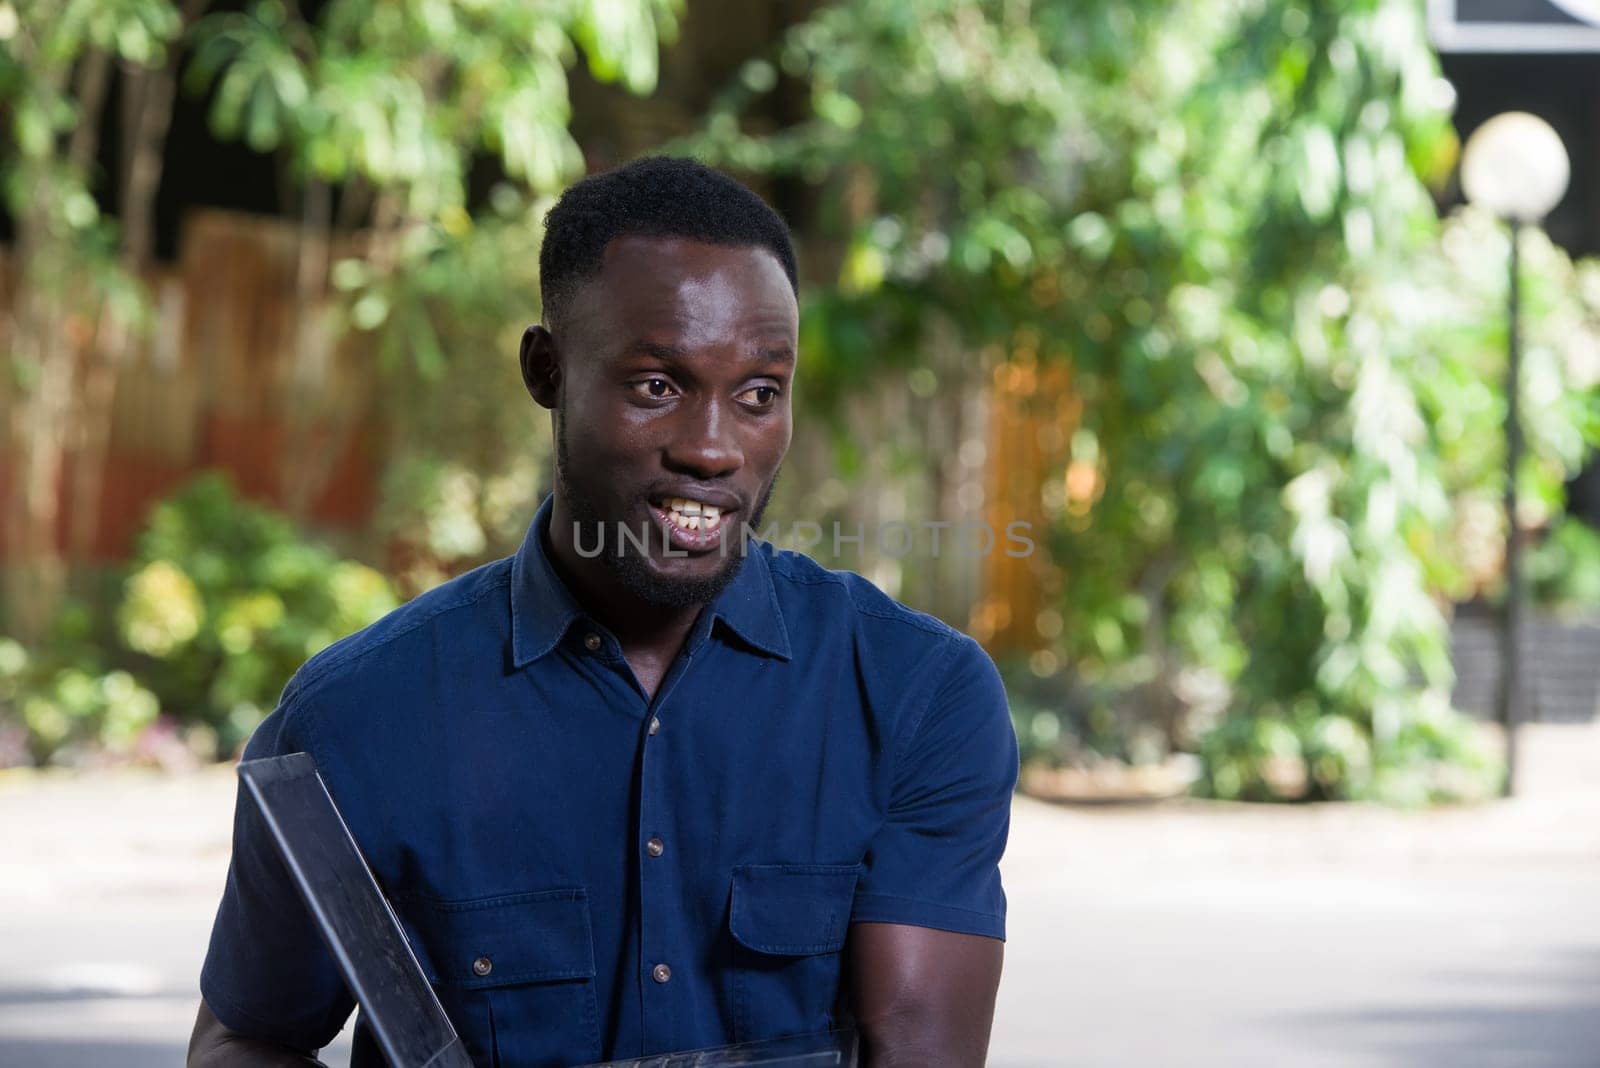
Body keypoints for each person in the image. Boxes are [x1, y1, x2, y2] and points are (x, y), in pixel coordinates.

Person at [187, 156, 1018, 1068]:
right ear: (547, 371)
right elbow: (245, 1039)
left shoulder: (913, 698)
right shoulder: (355, 720)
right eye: (657, 385)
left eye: (758, 395)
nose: (712, 449)